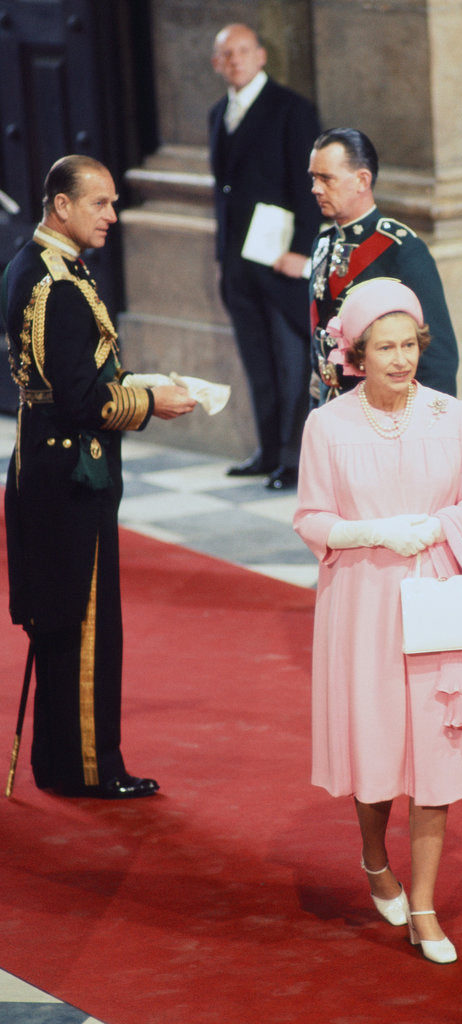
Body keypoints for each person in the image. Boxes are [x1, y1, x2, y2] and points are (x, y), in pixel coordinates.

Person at [293, 279, 462, 963]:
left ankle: (422, 905)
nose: (400, 359)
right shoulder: (327, 425)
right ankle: (372, 858)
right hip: (361, 604)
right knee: (376, 749)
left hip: (436, 601)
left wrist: (439, 528)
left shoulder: (448, 415)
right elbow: (309, 520)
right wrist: (376, 534)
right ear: (357, 354)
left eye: (408, 345)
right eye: (383, 347)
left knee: (434, 755)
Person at [3, 155, 197, 798]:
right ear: (61, 205)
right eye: (101, 204)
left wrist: (132, 384)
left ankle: (58, 765)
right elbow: (85, 400)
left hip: (44, 461)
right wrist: (151, 403)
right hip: (69, 475)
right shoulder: (55, 283)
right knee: (83, 625)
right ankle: (90, 768)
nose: (113, 215)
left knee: (61, 620)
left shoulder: (35, 264)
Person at [209, 23, 322, 490]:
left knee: (291, 361)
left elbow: (309, 187)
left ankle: (295, 460)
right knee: (258, 361)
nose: (235, 60)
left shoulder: (292, 109)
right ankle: (268, 451)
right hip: (238, 263)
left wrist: (302, 251)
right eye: (226, 55)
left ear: (261, 56)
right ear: (218, 64)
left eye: (242, 51)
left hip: (282, 263)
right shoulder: (219, 113)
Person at [308, 128, 459, 406]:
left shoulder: (401, 249)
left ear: (362, 180)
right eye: (314, 178)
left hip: (384, 410)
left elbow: (438, 354)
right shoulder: (323, 244)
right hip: (332, 405)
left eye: (326, 179)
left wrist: (434, 422)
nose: (315, 188)